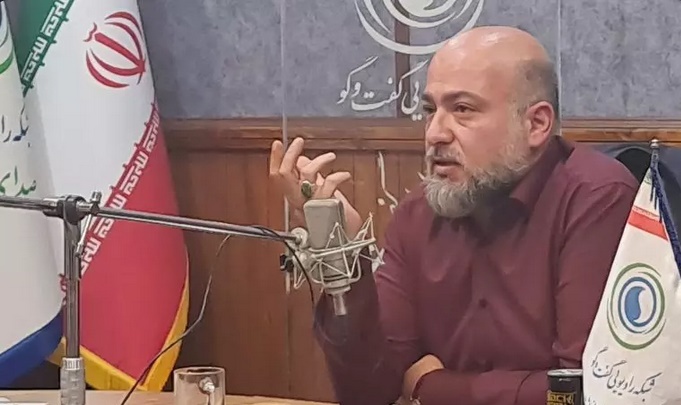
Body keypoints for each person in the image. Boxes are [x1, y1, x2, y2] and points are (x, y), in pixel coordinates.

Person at [268, 25, 638, 405]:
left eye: (462, 110)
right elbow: (368, 393)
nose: (434, 133)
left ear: (536, 124)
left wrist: (431, 387)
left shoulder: (597, 199)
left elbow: (587, 392)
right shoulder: (418, 213)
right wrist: (342, 257)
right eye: (430, 110)